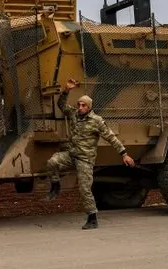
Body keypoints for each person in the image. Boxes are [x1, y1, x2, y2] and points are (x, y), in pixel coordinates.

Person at [45, 79, 136, 229]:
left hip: (85, 160)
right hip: (71, 154)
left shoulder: (96, 121)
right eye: (79, 104)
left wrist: (124, 154)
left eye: (83, 105)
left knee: (84, 188)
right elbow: (61, 105)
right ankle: (55, 185)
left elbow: (111, 137)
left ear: (89, 107)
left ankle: (92, 218)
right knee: (52, 162)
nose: (80, 107)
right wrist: (67, 90)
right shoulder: (74, 114)